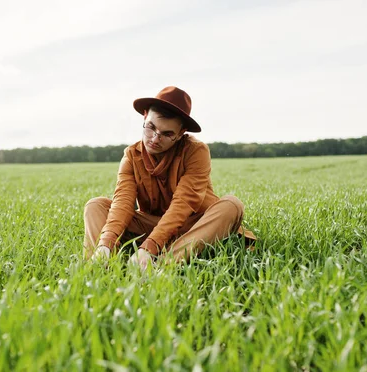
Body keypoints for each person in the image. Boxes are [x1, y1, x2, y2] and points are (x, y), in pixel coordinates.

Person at [83, 86, 255, 269]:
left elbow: (184, 203)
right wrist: (107, 241)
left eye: (167, 134)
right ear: (144, 117)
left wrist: (150, 247)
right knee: (96, 205)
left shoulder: (196, 151)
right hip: (151, 223)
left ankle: (164, 265)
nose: (155, 139)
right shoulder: (131, 155)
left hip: (193, 225)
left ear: (181, 134)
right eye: (151, 128)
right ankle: (102, 261)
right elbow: (123, 201)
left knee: (232, 205)